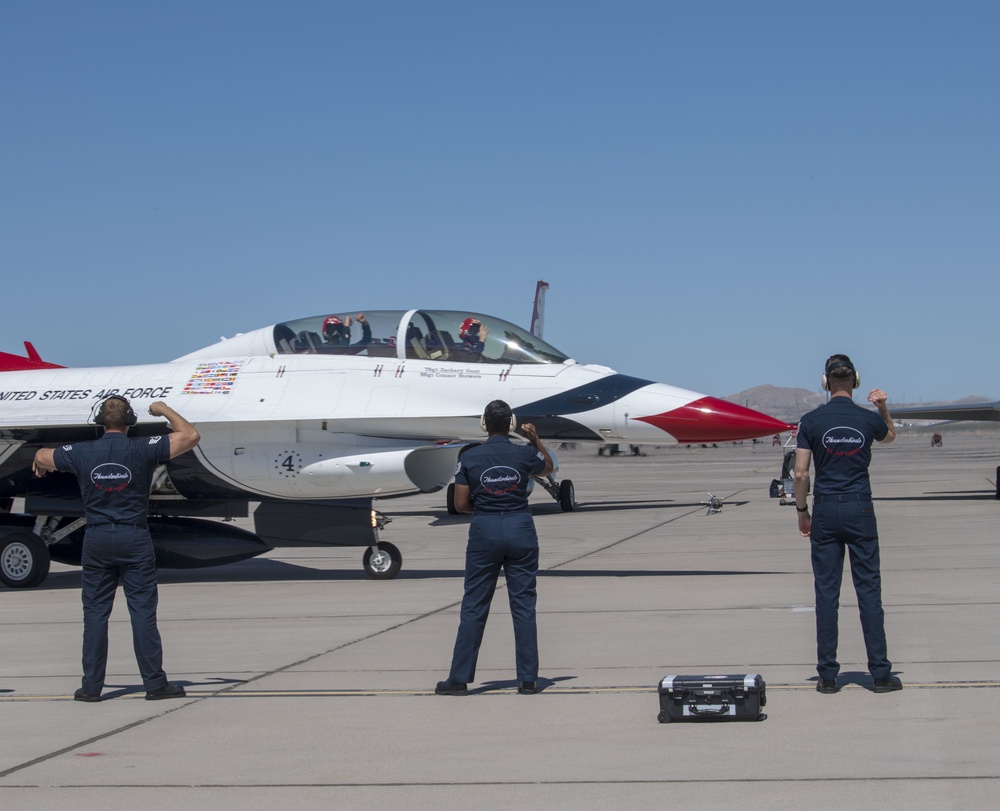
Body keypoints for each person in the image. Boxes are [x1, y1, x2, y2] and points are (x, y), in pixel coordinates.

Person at [32, 396, 200, 702]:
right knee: (142, 613)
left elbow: (43, 455)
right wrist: (162, 409)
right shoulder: (142, 448)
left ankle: (91, 687)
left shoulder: (82, 452)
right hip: (133, 537)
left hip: (96, 539)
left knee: (95, 615)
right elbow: (189, 435)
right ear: (130, 421)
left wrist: (40, 462)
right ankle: (155, 683)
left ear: (100, 421)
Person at [794, 354, 901, 695]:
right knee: (869, 591)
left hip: (825, 509)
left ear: (825, 383)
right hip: (859, 508)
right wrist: (882, 406)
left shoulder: (810, 421)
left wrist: (801, 511)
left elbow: (800, 473)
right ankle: (881, 674)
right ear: (855, 381)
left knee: (827, 593)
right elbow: (890, 437)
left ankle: (827, 676)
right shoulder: (866, 420)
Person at [436, 399, 553, 696]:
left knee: (474, 605)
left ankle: (459, 679)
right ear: (511, 424)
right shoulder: (525, 452)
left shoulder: (471, 456)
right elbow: (548, 468)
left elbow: (461, 504)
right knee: (524, 605)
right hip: (520, 528)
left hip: (484, 531)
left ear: (484, 425)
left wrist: (487, 505)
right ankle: (528, 679)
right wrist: (535, 439)